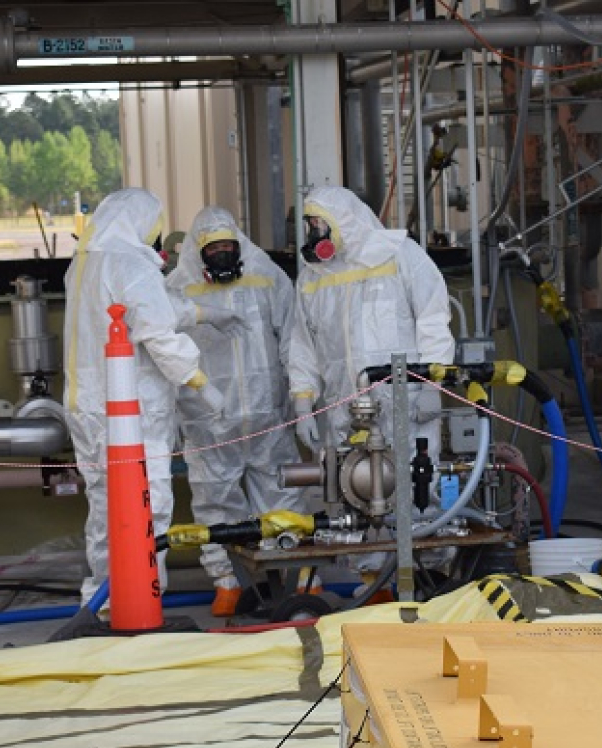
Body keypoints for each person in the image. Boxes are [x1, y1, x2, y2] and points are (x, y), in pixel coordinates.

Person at [63, 188, 238, 599]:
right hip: (129, 413)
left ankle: (104, 599)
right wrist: (198, 380)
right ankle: (141, 600)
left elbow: (143, 308)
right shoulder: (130, 262)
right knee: (146, 506)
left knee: (107, 511)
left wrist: (203, 312)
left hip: (89, 408)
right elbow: (155, 330)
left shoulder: (87, 262)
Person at [166, 206, 313, 616]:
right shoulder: (177, 289)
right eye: (213, 249)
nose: (223, 255)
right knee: (217, 504)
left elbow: (293, 337)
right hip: (209, 422)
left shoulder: (267, 278)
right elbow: (164, 351)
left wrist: (300, 396)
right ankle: (227, 583)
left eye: (230, 246)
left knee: (283, 498)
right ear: (198, 252)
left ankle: (293, 577)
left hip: (268, 417)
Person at [288, 185, 456, 460]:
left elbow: (433, 320)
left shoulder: (400, 255)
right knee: (349, 489)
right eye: (310, 225)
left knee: (417, 490)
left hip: (407, 406)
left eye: (320, 224)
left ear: (343, 221)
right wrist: (303, 404)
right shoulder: (312, 279)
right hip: (343, 412)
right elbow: (303, 346)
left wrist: (432, 384)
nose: (314, 232)